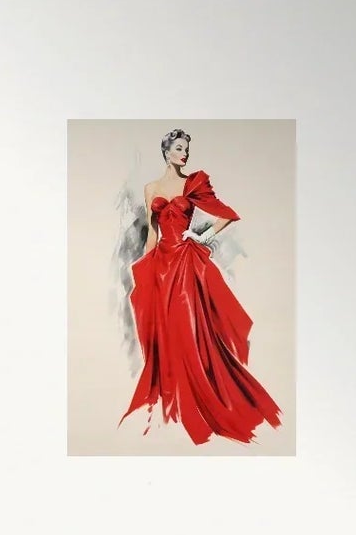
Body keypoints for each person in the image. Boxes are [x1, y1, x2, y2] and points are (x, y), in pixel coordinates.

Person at [121, 129, 283, 446]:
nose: (185, 154)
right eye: (180, 149)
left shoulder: (191, 184)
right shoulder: (150, 188)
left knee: (187, 327)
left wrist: (202, 235)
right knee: (164, 328)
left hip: (184, 263)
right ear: (167, 152)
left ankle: (200, 394)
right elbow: (153, 232)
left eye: (187, 150)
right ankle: (172, 398)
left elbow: (228, 215)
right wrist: (144, 266)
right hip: (160, 264)